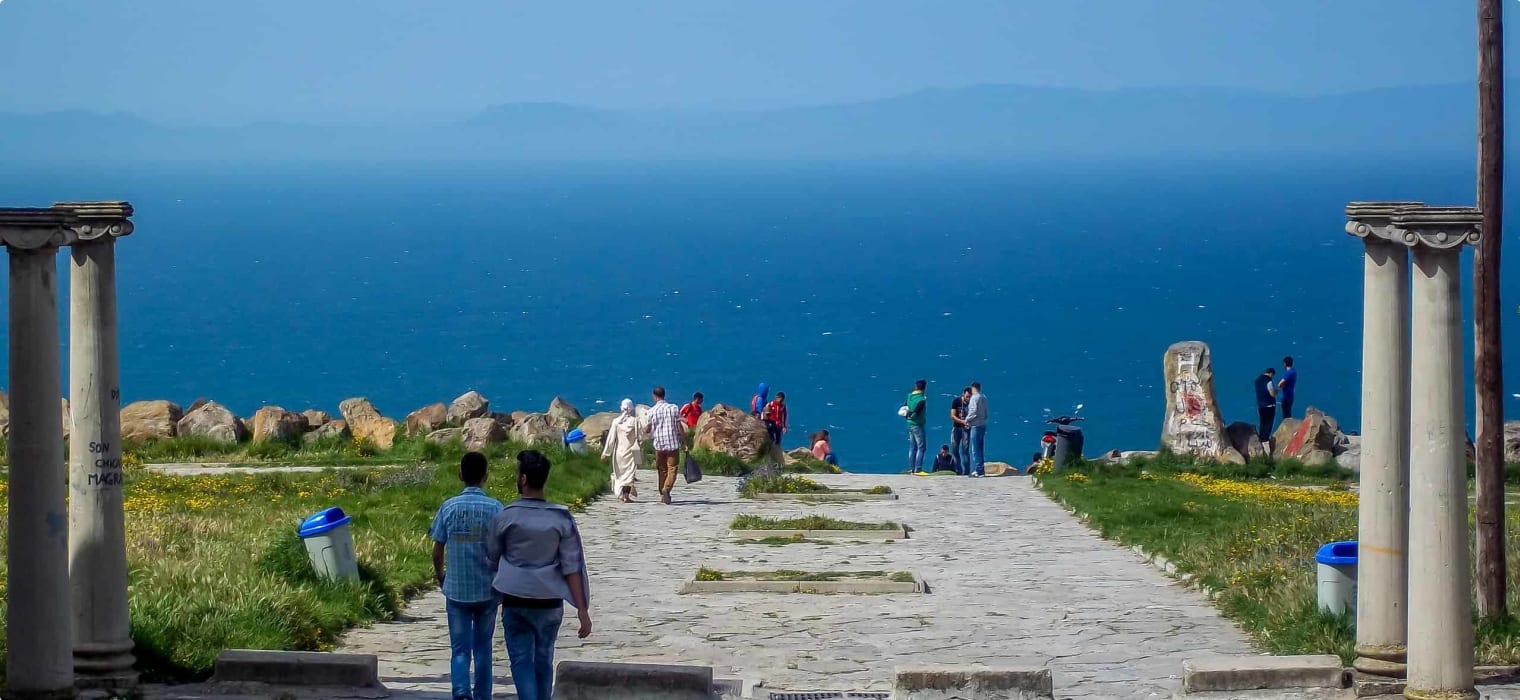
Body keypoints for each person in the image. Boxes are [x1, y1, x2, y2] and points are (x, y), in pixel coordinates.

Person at [485, 450, 592, 700]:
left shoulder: (505, 516)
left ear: (523, 479)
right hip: (549, 600)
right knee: (544, 660)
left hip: (515, 599)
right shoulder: (561, 518)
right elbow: (572, 566)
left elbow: (491, 557)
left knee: (521, 661)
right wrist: (582, 609)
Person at [430, 452, 506, 700]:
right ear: (486, 476)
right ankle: (483, 694)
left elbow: (437, 549)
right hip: (487, 589)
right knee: (483, 646)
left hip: (457, 589)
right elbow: (504, 548)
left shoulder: (448, 507)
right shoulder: (496, 508)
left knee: (460, 648)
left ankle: (461, 691)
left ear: (460, 475)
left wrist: (440, 575)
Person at [645, 386, 686, 504]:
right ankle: (666, 489)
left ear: (654, 396)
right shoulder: (673, 408)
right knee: (672, 469)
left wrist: (646, 429)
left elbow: (648, 429)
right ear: (664, 395)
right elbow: (679, 426)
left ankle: (662, 493)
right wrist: (684, 442)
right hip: (672, 443)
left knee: (661, 470)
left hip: (659, 445)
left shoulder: (651, 411)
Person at [601, 398, 642, 503]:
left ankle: (619, 493)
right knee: (629, 476)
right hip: (631, 452)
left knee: (619, 475)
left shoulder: (616, 422)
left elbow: (611, 439)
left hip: (619, 453)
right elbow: (640, 436)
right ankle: (626, 496)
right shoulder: (635, 421)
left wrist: (606, 453)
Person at [965, 382, 988, 478]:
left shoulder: (974, 398)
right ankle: (981, 469)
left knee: (975, 448)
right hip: (983, 424)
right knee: (980, 447)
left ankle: (978, 470)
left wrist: (967, 420)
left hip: (975, 425)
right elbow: (986, 412)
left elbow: (973, 411)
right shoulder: (983, 397)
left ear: (973, 388)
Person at [905, 379, 928, 474]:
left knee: (912, 447)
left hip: (909, 424)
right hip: (918, 424)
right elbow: (917, 412)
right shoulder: (921, 399)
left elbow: (905, 407)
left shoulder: (910, 396)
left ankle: (911, 468)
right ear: (924, 388)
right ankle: (918, 469)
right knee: (921, 447)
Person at [949, 387, 972, 476]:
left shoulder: (971, 404)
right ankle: (958, 469)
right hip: (957, 428)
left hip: (966, 430)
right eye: (967, 397)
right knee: (955, 449)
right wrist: (962, 421)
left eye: (969, 397)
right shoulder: (956, 401)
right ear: (963, 394)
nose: (968, 399)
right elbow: (952, 415)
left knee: (965, 450)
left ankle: (966, 471)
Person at [1254, 367, 1278, 443]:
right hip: (1269, 406)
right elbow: (1272, 394)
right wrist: (1276, 391)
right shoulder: (1269, 381)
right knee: (1268, 424)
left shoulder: (1257, 380)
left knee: (1262, 423)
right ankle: (1265, 440)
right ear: (1271, 373)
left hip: (1261, 406)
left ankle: (1261, 439)